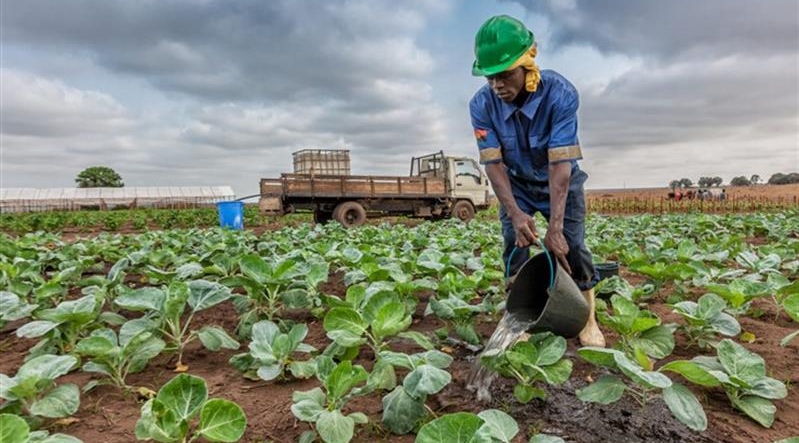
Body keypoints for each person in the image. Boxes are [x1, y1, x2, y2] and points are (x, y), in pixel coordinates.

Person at [468, 15, 604, 347]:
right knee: (514, 246)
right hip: (515, 185)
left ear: (529, 65)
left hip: (561, 183)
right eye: (490, 78)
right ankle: (518, 316)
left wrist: (555, 227)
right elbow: (494, 165)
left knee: (574, 247)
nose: (497, 85)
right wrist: (515, 214)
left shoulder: (559, 94)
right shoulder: (481, 105)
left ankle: (588, 318)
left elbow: (560, 165)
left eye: (504, 75)